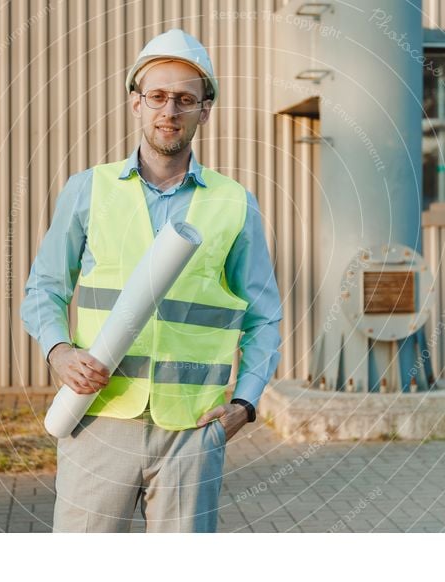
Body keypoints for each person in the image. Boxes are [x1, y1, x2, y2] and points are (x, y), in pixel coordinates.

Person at [20, 28, 282, 533]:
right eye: (158, 96)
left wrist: (245, 406)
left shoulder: (234, 203)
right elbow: (43, 289)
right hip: (99, 418)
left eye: (186, 99)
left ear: (205, 110)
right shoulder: (88, 190)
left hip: (193, 429)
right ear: (136, 103)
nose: (170, 111)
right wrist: (59, 352)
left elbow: (264, 316)